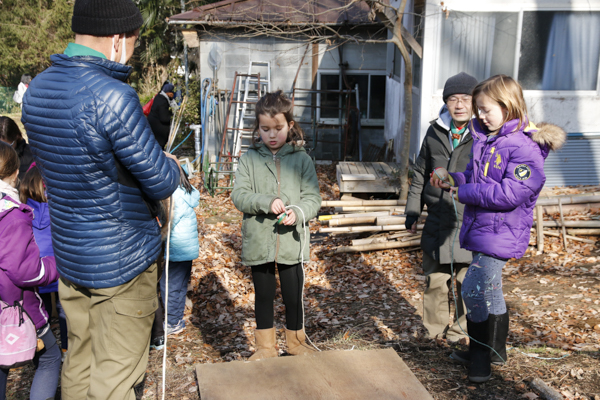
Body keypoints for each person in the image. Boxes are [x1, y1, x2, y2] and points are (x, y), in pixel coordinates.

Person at [20, 0, 181, 399]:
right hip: (122, 261)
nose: (133, 50)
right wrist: (175, 165)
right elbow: (160, 181)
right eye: (134, 41)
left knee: (80, 362)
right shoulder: (113, 96)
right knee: (116, 378)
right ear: (116, 39)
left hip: (72, 257)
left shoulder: (37, 91)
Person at [431, 75, 566, 383]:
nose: (479, 115)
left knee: (474, 288)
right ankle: (495, 350)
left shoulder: (525, 148)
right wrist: (454, 180)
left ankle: (480, 357)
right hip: (483, 227)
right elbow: (472, 176)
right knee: (490, 291)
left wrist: (465, 193)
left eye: (486, 109)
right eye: (478, 109)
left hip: (502, 231)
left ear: (509, 107)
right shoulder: (486, 139)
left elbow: (511, 194)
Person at [231, 91, 322, 360]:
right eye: (265, 129)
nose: (272, 135)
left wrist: (298, 212)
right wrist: (266, 201)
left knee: (294, 297)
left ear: (290, 126)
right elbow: (239, 195)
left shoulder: (302, 159)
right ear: (257, 127)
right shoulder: (249, 159)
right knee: (264, 296)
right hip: (260, 240)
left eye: (278, 128)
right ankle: (265, 349)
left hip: (292, 242)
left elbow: (313, 198)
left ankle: (296, 345)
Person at [405, 72, 478, 342]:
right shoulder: (435, 130)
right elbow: (420, 173)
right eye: (452, 99)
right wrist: (413, 211)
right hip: (437, 218)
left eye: (465, 99)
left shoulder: (482, 134)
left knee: (465, 282)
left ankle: (460, 333)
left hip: (468, 219)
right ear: (446, 102)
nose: (459, 105)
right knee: (435, 280)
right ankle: (433, 332)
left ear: (475, 101)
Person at [0, 142, 61, 400]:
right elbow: (26, 271)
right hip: (16, 306)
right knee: (50, 357)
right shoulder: (11, 216)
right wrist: (54, 265)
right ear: (15, 173)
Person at [20, 164, 69, 361]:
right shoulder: (57, 208)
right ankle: (67, 349)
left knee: (41, 310)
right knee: (65, 309)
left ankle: (41, 350)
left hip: (36, 269)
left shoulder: (23, 211)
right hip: (58, 265)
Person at [159, 164, 200, 337]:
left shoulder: (174, 196)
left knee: (168, 285)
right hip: (185, 250)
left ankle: (172, 321)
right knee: (179, 284)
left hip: (176, 249)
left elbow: (169, 222)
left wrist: (158, 235)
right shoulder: (185, 192)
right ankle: (175, 319)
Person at [148, 82, 177, 149]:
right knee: (158, 148)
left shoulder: (159, 97)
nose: (173, 94)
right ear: (169, 93)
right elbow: (164, 118)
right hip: (158, 131)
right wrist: (171, 115)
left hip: (154, 129)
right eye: (172, 92)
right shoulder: (163, 101)